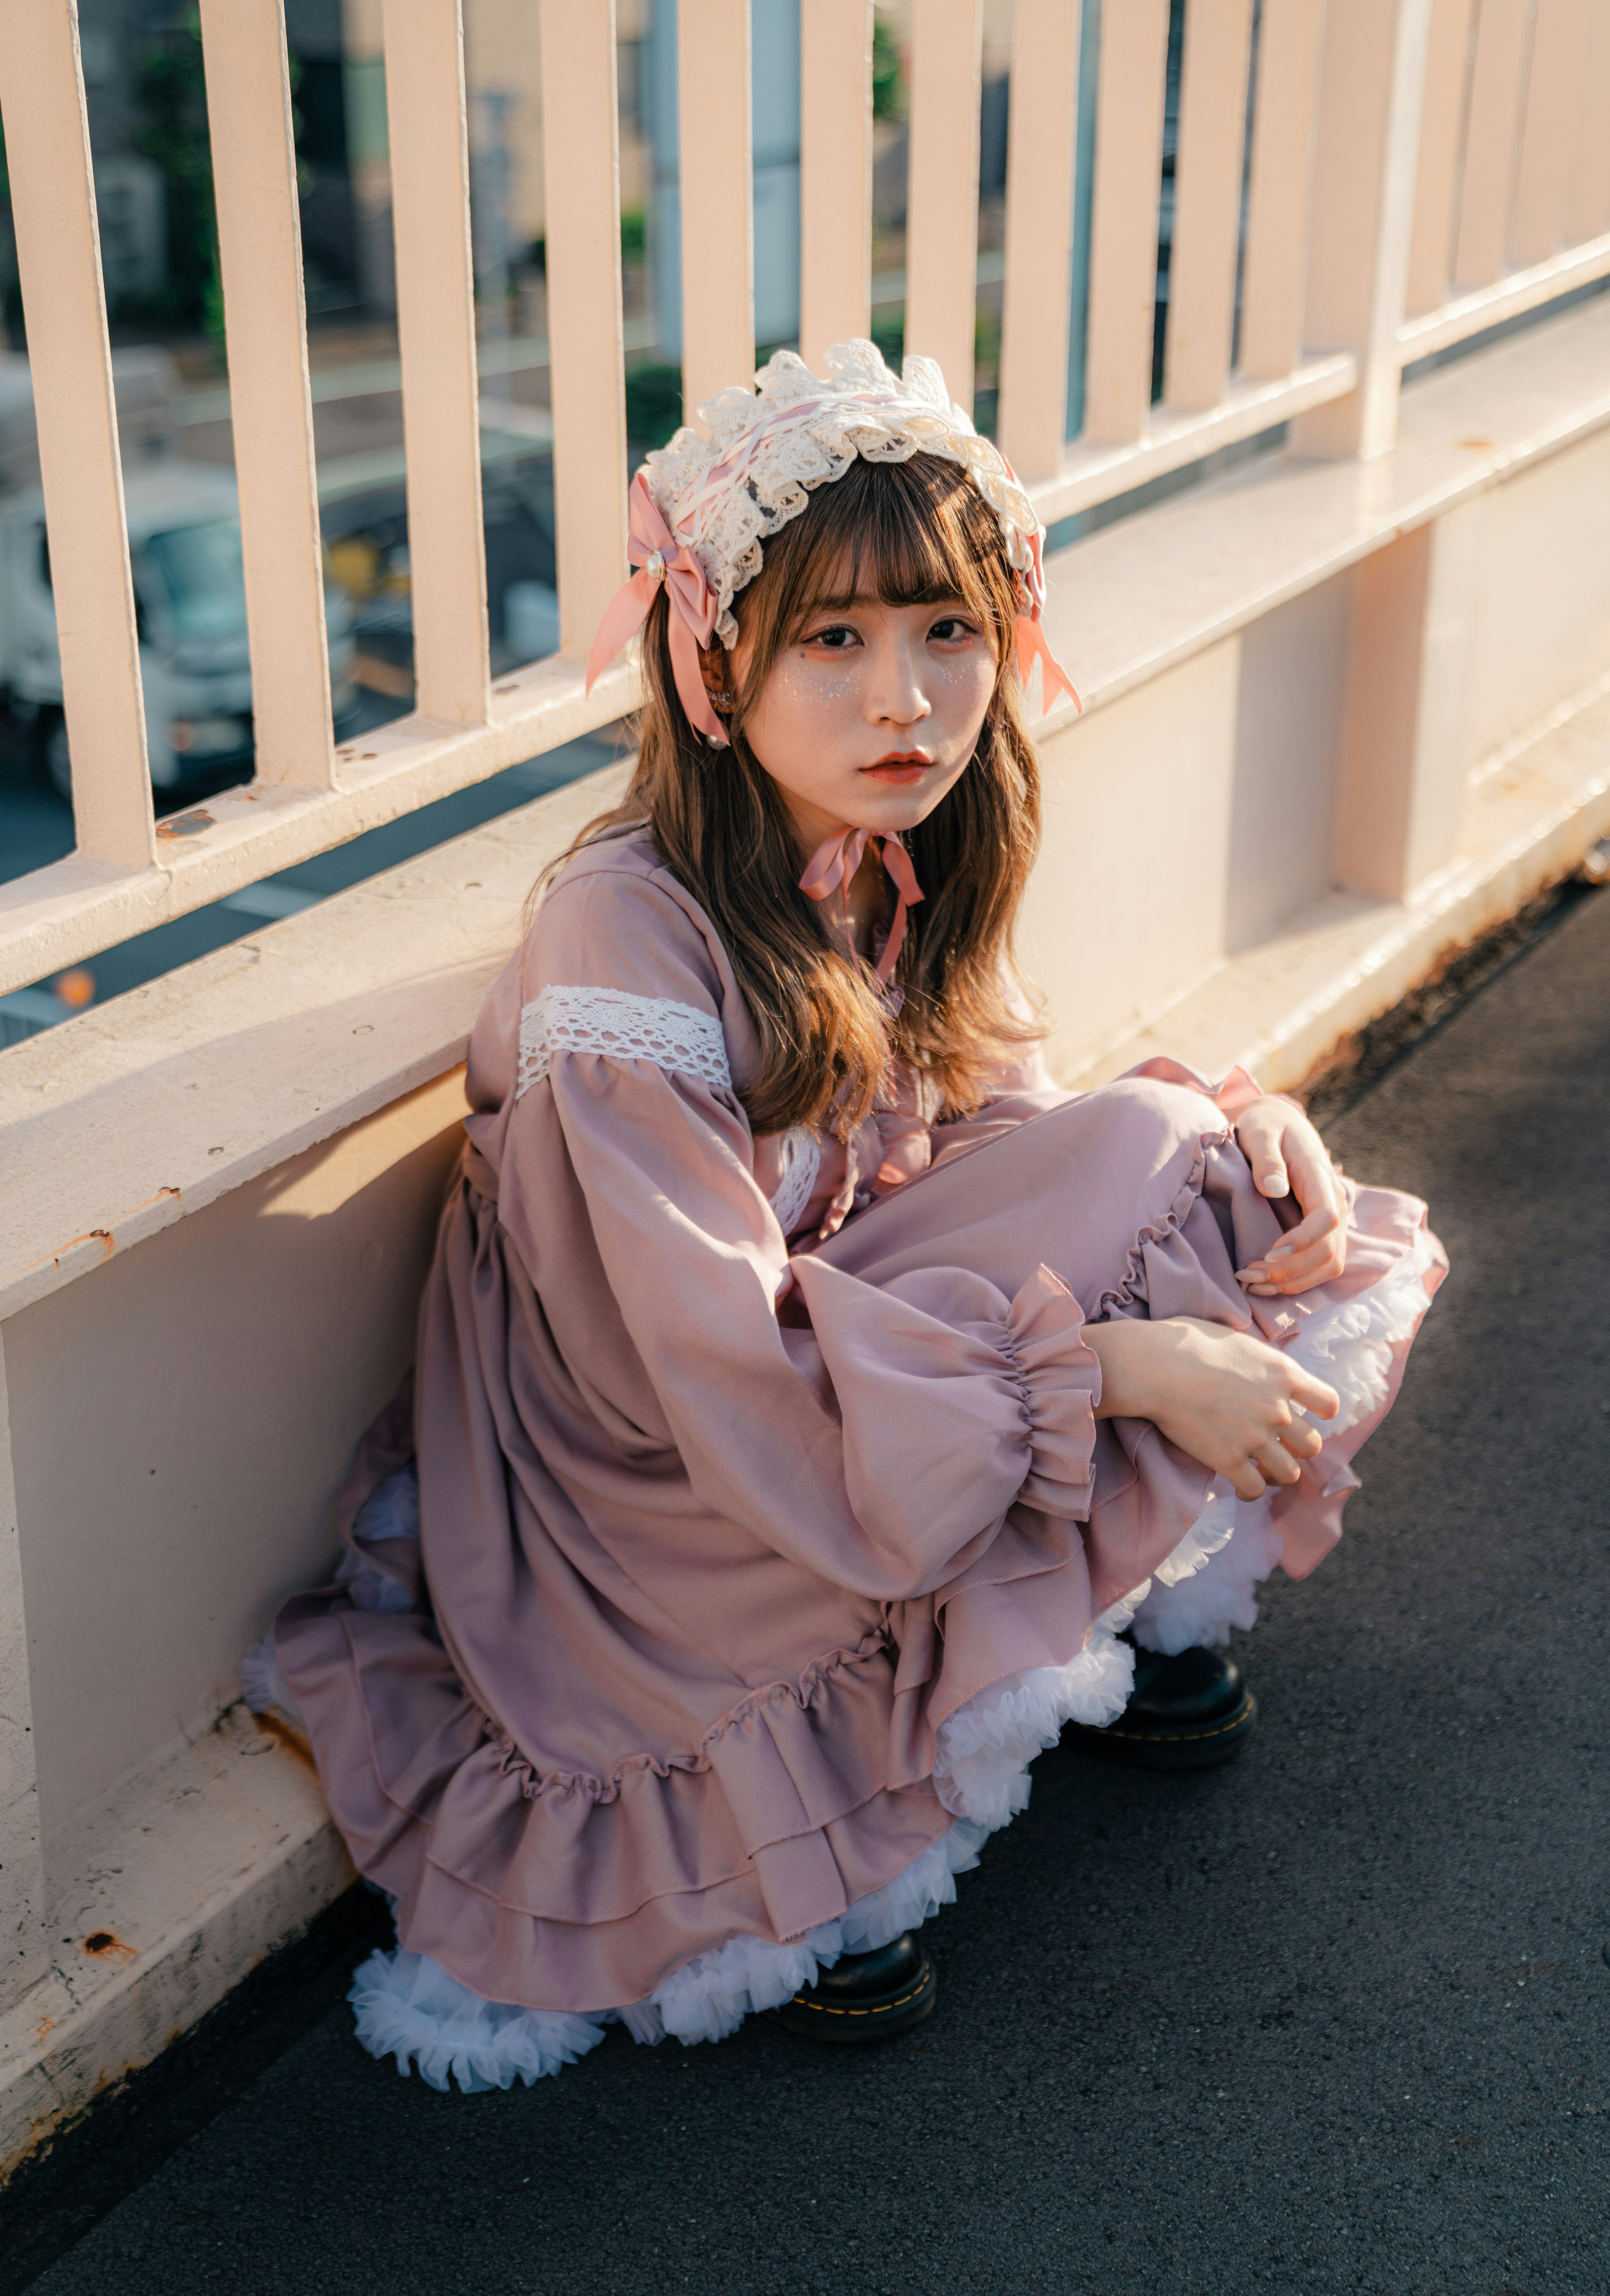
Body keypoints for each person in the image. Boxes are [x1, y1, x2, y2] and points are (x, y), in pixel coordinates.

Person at [247, 343, 1445, 2090]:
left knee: (1167, 1130)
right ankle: (803, 1814)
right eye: (836, 639)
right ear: (715, 657)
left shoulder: (887, 857)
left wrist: (1240, 1136)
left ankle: (1113, 1613)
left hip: (822, 1358)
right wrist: (1115, 1366)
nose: (907, 700)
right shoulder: (627, 944)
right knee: (1128, 1215)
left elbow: (1007, 1131)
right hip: (657, 1463)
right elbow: (697, 1363)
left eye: (951, 630)